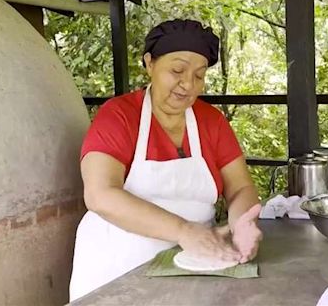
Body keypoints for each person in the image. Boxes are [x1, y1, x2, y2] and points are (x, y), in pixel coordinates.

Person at [69, 19, 262, 301]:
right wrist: (183, 231)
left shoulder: (212, 122)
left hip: (195, 267)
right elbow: (100, 195)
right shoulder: (119, 116)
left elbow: (241, 188)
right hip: (115, 272)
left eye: (199, 75)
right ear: (149, 64)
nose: (188, 85)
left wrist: (243, 223)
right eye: (177, 70)